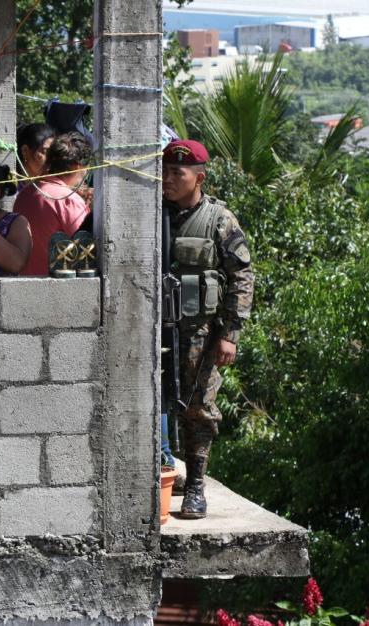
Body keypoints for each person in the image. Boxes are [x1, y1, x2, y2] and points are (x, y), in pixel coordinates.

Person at [161, 139, 254, 519]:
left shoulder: (219, 220)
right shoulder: (151, 214)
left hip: (200, 334)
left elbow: (242, 277)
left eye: (177, 173)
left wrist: (230, 334)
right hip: (154, 333)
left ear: (200, 177)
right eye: (165, 171)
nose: (168, 179)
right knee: (156, 404)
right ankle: (164, 473)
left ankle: (196, 486)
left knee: (198, 409)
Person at [13, 132, 92, 276]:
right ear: (78, 167)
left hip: (24, 283)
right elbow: (85, 248)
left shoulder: (25, 194)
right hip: (57, 286)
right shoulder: (69, 200)